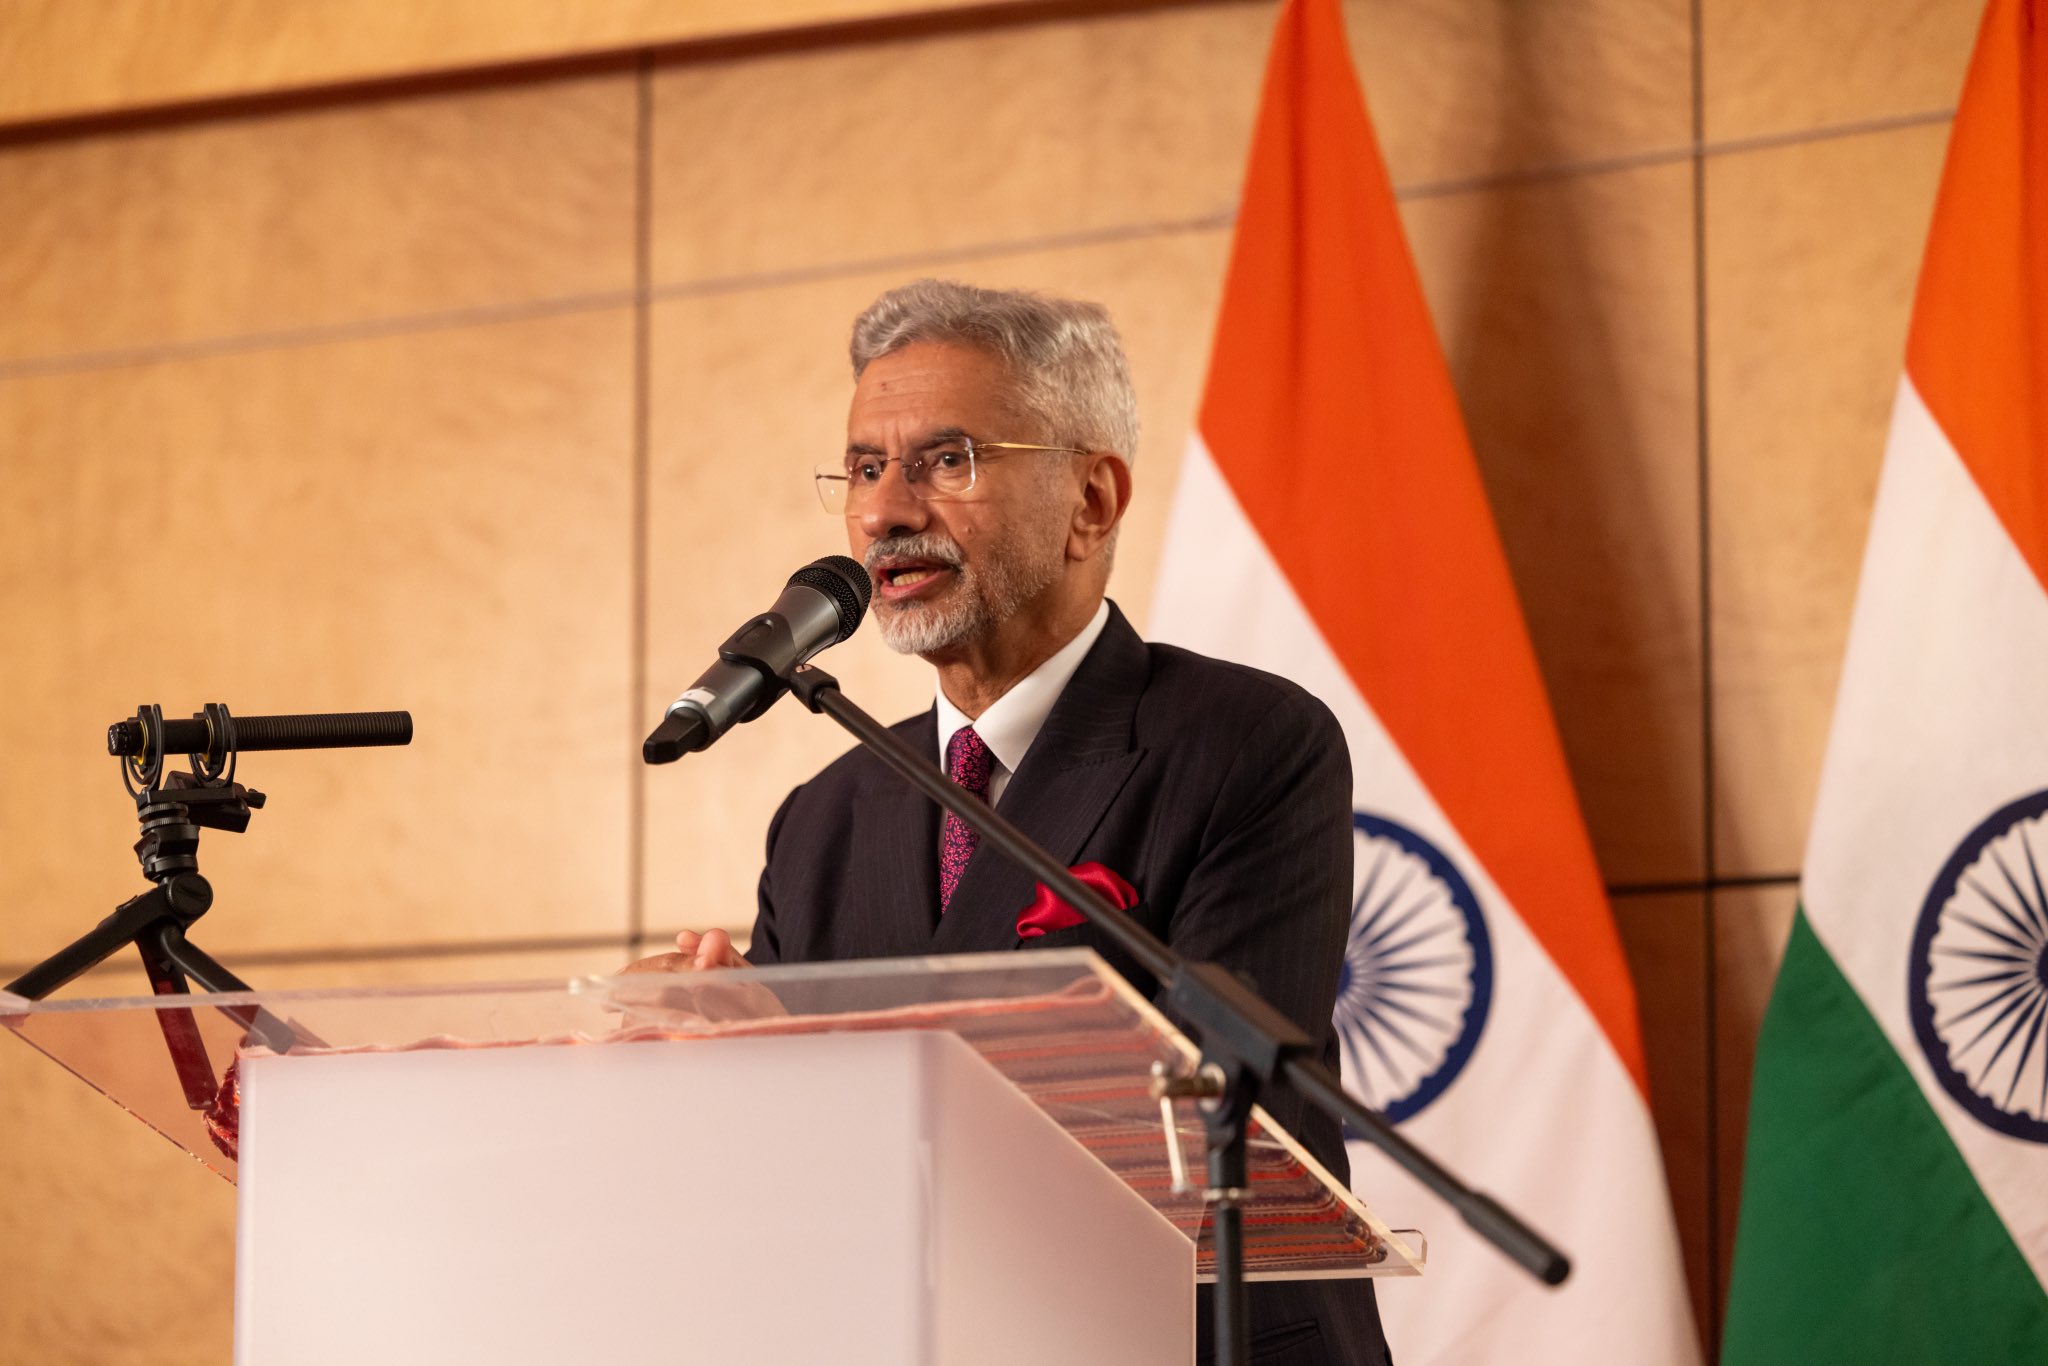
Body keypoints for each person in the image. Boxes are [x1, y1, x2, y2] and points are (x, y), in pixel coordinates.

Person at [644, 279, 1391, 1366]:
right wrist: (722, 1048)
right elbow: (793, 1178)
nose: (884, 512)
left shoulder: (1245, 742)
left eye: (946, 460)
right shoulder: (826, 815)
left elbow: (1222, 1109)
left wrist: (818, 1059)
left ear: (1091, 500)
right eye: (863, 467)